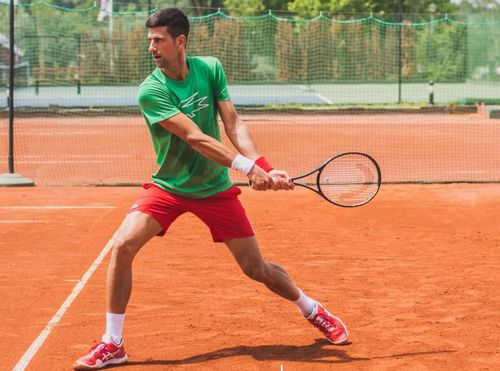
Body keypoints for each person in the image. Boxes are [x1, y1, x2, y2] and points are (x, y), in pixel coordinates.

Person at [74, 8, 348, 370]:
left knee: (256, 268)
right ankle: (113, 343)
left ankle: (312, 309)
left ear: (180, 41)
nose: (151, 47)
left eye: (158, 40)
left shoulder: (210, 69)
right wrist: (248, 169)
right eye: (149, 40)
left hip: (214, 190)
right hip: (169, 187)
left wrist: (263, 168)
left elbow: (233, 123)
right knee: (123, 245)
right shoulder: (151, 90)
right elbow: (195, 137)